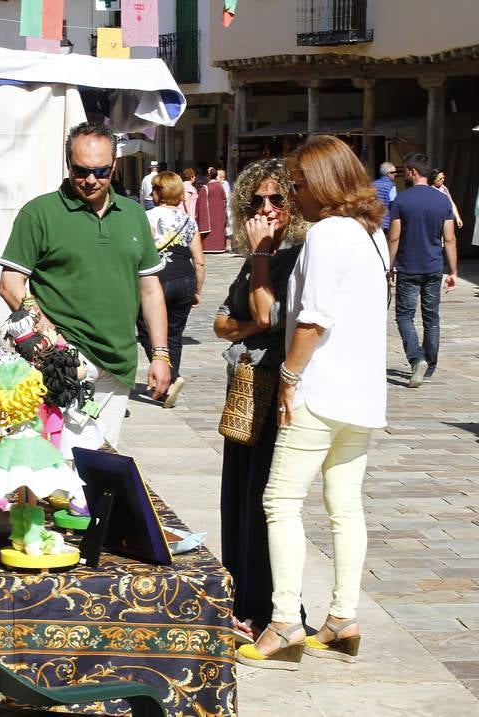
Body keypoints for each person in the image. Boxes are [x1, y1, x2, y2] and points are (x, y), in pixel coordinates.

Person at [237, 135, 388, 670]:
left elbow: (312, 318)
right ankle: (343, 617)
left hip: (320, 388)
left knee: (280, 500)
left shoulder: (327, 235)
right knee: (345, 505)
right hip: (364, 392)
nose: (294, 195)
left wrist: (289, 377)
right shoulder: (372, 235)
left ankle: (283, 624)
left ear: (323, 183)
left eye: (298, 184)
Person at [0, 122, 171, 447]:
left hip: (119, 363)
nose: (91, 179)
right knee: (57, 468)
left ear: (114, 166)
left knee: (99, 467)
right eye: (81, 171)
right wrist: (50, 337)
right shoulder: (40, 213)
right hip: (61, 362)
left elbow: (150, 290)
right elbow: (10, 283)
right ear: (68, 164)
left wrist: (160, 355)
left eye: (101, 171)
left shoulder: (134, 215)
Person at [214, 159, 307, 644]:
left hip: (278, 390)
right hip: (248, 387)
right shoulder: (260, 256)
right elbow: (221, 323)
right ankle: (241, 600)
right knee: (237, 499)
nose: (267, 209)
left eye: (277, 200)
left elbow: (267, 313)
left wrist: (261, 257)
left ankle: (268, 608)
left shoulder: (294, 255)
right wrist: (250, 324)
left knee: (264, 502)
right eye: (258, 201)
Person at [136, 171, 206, 409]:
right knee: (174, 335)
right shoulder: (189, 220)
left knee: (147, 328)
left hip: (159, 279)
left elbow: (142, 253)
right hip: (185, 279)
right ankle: (170, 380)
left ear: (158, 192)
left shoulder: (147, 217)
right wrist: (197, 288)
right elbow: (199, 260)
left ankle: (170, 379)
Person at [388, 153, 458, 387]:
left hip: (408, 266)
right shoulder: (442, 201)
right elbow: (449, 239)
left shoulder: (401, 200)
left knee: (404, 316)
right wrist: (454, 271)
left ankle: (417, 358)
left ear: (412, 172)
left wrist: (389, 266)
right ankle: (430, 364)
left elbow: (394, 237)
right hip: (434, 266)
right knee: (431, 317)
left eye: (406, 171)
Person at [196, 165, 227, 253]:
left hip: (209, 215)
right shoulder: (220, 186)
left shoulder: (205, 188)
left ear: (208, 176)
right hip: (219, 214)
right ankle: (219, 246)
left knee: (212, 229)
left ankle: (210, 247)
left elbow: (200, 204)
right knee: (218, 228)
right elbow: (224, 201)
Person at [371, 161, 398, 236]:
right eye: (393, 172)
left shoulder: (372, 184)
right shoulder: (391, 186)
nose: (396, 174)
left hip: (374, 221)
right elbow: (393, 204)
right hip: (386, 223)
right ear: (388, 174)